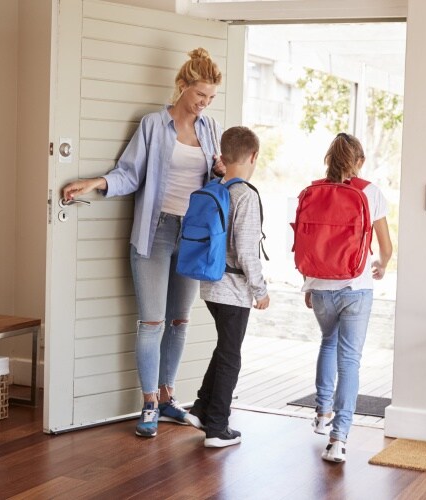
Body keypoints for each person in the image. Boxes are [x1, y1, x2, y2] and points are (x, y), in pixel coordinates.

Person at [62, 48, 224, 438]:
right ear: (183, 86)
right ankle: (149, 402)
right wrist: (94, 183)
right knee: (152, 322)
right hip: (155, 232)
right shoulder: (154, 125)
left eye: (211, 98)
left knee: (180, 321)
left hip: (194, 236)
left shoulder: (209, 129)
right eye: (200, 94)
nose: (204, 103)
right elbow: (128, 174)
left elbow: (216, 179)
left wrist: (221, 173)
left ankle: (169, 397)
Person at [303, 133, 393, 463]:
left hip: (320, 284)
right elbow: (385, 246)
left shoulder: (314, 190)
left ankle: (321, 412)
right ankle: (338, 439)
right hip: (356, 286)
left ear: (329, 160)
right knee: (350, 360)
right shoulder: (370, 191)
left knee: (328, 341)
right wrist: (381, 266)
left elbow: (306, 242)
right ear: (360, 162)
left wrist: (309, 283)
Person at [184, 126, 270, 448]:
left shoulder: (217, 187)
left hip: (210, 285)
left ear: (222, 156)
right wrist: (260, 291)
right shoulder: (245, 195)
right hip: (234, 291)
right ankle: (218, 428)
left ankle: (202, 409)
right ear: (253, 156)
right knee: (231, 355)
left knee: (224, 348)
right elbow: (247, 251)